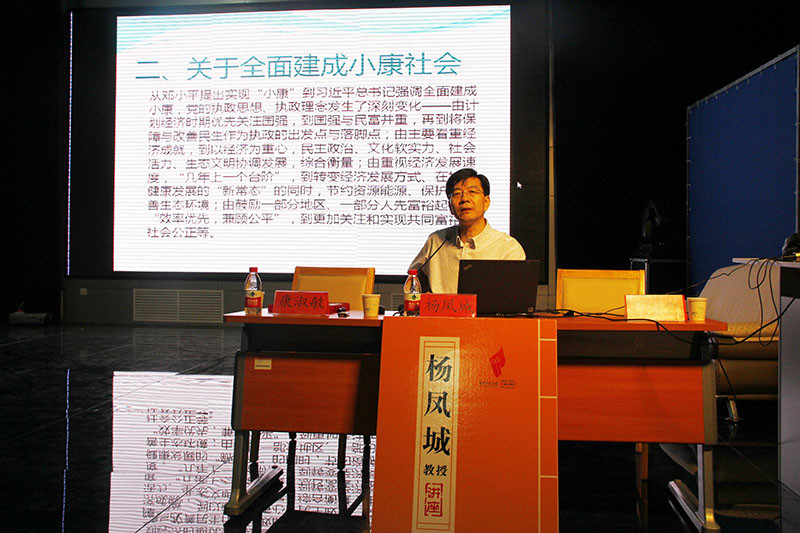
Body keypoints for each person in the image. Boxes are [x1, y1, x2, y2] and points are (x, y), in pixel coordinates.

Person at [409, 168, 525, 293]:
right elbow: (412, 280)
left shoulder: (508, 249)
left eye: (472, 192)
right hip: (442, 307)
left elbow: (515, 296)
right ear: (450, 206)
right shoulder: (436, 241)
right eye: (457, 194)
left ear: (486, 202)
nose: (464, 199)